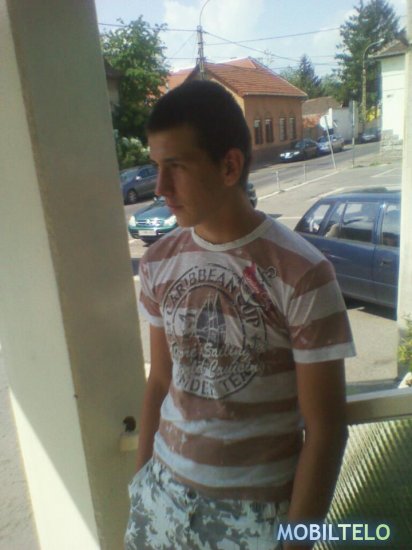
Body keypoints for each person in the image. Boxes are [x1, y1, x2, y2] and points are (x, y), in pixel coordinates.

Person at [124, 80, 356, 550]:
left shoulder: (303, 273)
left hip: (255, 515)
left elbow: (327, 427)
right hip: (162, 495)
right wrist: (141, 483)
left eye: (176, 167)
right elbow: (160, 380)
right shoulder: (157, 262)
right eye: (156, 167)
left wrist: (296, 543)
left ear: (229, 166)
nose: (160, 187)